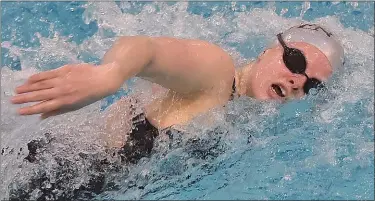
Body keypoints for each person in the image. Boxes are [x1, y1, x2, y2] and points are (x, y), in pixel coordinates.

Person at [6, 23, 345, 200]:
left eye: (311, 84)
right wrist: (109, 75)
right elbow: (146, 49)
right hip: (42, 173)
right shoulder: (216, 72)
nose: (297, 80)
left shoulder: (241, 115)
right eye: (295, 61)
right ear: (271, 49)